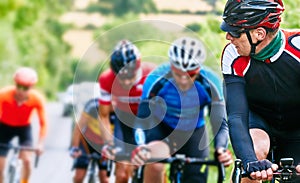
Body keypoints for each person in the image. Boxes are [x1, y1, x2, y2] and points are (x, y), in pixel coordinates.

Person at [130, 37, 233, 183]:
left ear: (198, 70)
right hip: (162, 129)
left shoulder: (210, 82)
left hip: (193, 132)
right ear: (172, 68)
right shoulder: (157, 79)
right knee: (155, 165)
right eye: (178, 74)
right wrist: (141, 146)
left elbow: (219, 122)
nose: (184, 80)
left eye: (190, 75)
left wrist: (221, 149)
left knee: (196, 178)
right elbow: (142, 118)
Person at [220, 0, 300, 182]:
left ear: (259, 33)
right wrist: (249, 162)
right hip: (260, 123)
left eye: (234, 32)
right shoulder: (233, 54)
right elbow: (236, 116)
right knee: (253, 158)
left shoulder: (297, 48)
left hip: (297, 127)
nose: (228, 38)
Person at [98, 40, 156, 183]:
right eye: (121, 78)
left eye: (130, 77)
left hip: (150, 120)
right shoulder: (106, 79)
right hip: (125, 120)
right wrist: (109, 144)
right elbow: (103, 115)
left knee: (155, 169)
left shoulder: (152, 75)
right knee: (122, 173)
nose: (125, 83)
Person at [0, 67, 47, 183]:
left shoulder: (37, 99)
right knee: (0, 167)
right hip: (4, 127)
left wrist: (40, 144)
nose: (21, 90)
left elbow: (43, 123)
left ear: (31, 87)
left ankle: (24, 181)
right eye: (18, 86)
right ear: (15, 84)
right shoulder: (3, 95)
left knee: (27, 160)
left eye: (25, 88)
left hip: (24, 128)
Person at [70, 98, 114, 183]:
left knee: (104, 179)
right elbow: (79, 128)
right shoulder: (92, 106)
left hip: (105, 145)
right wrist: (75, 147)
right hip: (87, 143)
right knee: (79, 177)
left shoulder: (121, 110)